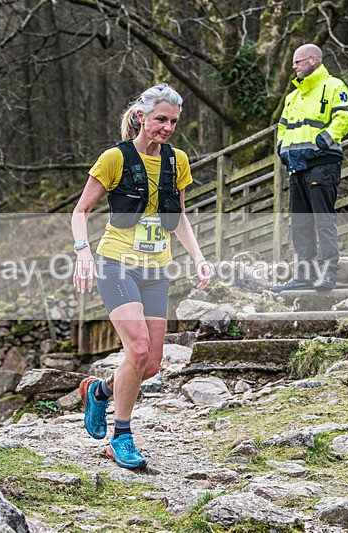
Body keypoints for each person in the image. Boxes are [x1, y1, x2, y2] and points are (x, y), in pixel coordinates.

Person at [71, 84, 210, 469]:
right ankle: (122, 437)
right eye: (161, 119)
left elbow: (179, 215)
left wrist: (198, 257)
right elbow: (80, 211)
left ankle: (99, 391)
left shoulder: (177, 160)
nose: (167, 127)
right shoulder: (114, 158)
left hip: (156, 268)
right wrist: (83, 253)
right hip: (115, 262)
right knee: (138, 349)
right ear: (141, 117)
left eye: (173, 121)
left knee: (150, 365)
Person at [271, 43, 348, 293]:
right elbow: (282, 128)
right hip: (296, 166)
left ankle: (328, 272)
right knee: (300, 223)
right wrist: (282, 149)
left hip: (323, 164)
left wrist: (322, 142)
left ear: (314, 60)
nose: (293, 66)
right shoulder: (292, 97)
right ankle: (304, 275)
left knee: (323, 220)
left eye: (298, 61)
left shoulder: (334, 86)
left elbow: (345, 118)